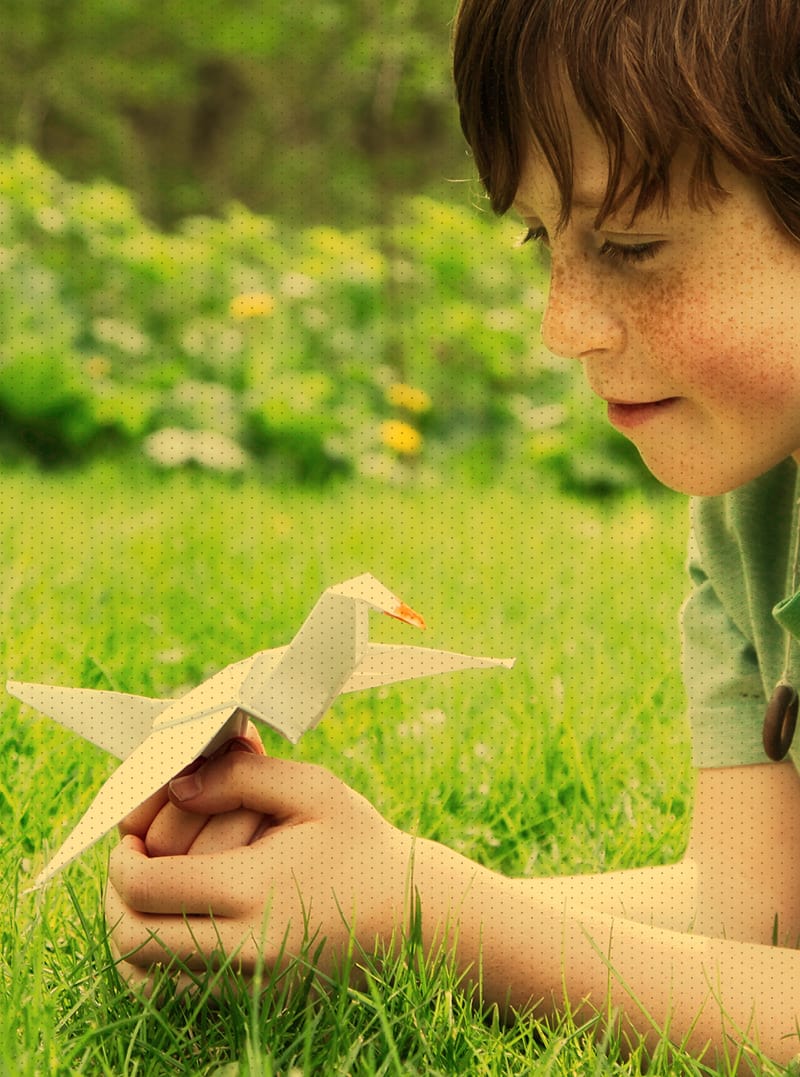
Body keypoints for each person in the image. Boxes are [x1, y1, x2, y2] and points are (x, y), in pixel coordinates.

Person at [105, 0, 800, 1065]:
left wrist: (429, 912)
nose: (559, 326)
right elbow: (751, 914)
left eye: (630, 244)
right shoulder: (753, 506)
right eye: (541, 238)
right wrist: (322, 894)